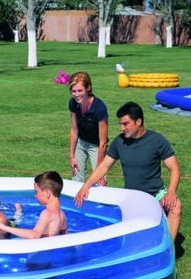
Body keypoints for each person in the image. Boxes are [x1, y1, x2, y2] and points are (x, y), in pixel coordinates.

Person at [75, 101, 182, 241]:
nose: (122, 128)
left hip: (156, 194)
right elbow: (104, 166)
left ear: (138, 122)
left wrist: (171, 192)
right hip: (133, 195)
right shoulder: (119, 142)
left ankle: (168, 248)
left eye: (125, 124)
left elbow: (174, 168)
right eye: (121, 124)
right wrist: (86, 186)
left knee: (176, 207)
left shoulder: (157, 140)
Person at [0, 171, 67, 239]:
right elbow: (64, 234)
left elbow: (34, 235)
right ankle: (18, 212)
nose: (35, 196)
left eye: (36, 192)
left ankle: (18, 213)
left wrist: (5, 228)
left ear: (47, 193)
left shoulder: (47, 214)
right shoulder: (61, 214)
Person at [68, 71, 108, 185]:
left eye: (80, 90)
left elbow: (103, 142)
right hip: (80, 143)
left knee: (100, 181)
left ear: (88, 88)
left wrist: (99, 169)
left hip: (96, 146)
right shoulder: (73, 103)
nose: (76, 94)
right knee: (76, 180)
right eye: (74, 91)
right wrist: (71, 156)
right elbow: (74, 129)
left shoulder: (99, 108)